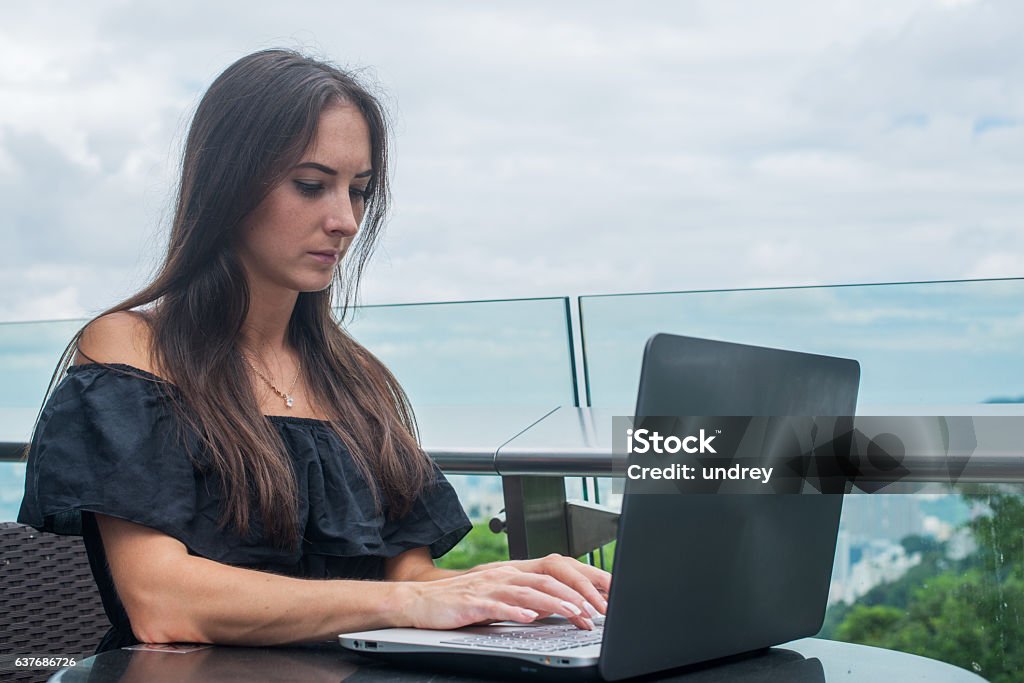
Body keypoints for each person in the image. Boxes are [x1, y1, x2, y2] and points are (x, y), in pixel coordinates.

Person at [17, 49, 609, 653]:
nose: (345, 219)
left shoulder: (356, 379)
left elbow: (412, 581)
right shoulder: (131, 348)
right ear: (228, 187)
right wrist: (411, 601)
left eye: (359, 191)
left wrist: (516, 590)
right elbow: (163, 604)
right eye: (311, 185)